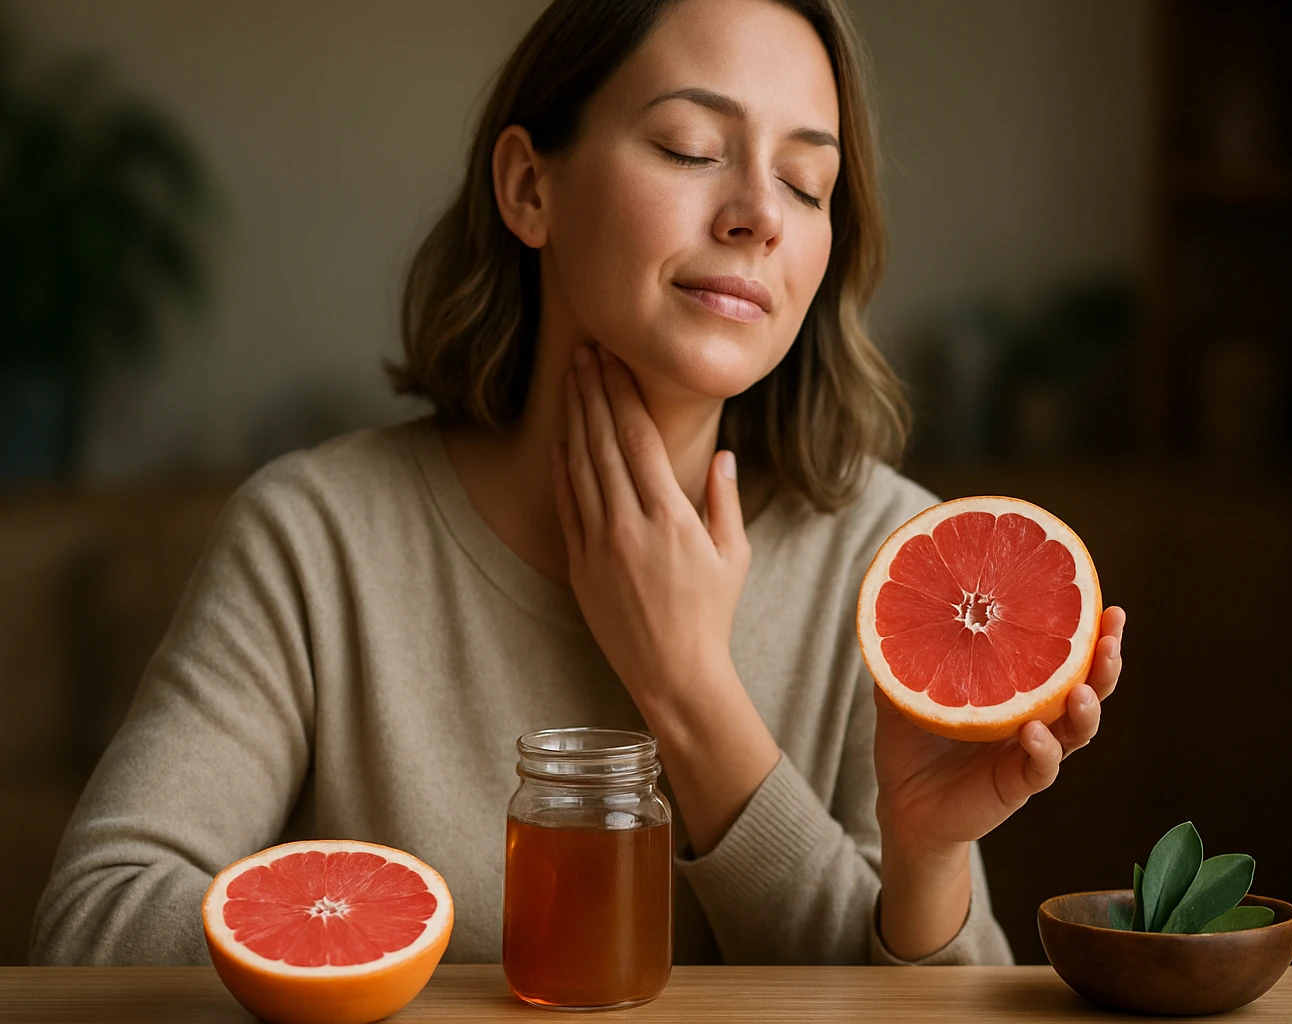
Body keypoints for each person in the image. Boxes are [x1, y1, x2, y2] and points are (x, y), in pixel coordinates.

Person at [33, 0, 1127, 967]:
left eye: (808, 180)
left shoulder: (890, 559)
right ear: (528, 186)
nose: (760, 213)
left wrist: (697, 693)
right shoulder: (316, 539)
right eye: (694, 147)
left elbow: (929, 1007)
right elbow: (96, 921)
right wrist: (382, 948)